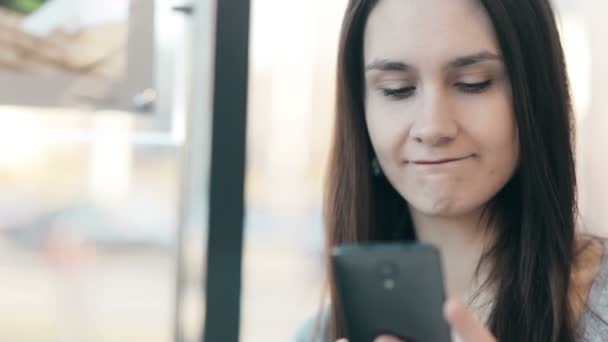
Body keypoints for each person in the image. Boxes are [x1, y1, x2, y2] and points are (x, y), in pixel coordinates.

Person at [295, 0, 608, 341]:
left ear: (535, 93)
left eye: (474, 83)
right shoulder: (319, 334)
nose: (433, 127)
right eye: (396, 89)